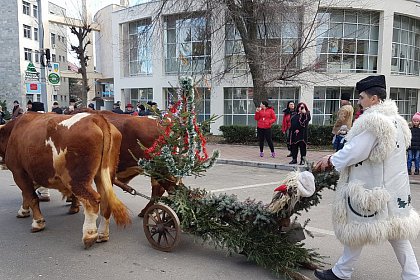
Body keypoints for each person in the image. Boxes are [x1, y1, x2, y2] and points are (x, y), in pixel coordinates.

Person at [314, 75, 420, 280]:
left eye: (362, 97)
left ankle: (342, 272)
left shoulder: (374, 122)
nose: (359, 101)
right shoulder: (397, 121)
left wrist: (331, 159)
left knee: (358, 227)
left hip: (372, 188)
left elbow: (356, 151)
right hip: (393, 190)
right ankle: (412, 275)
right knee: (397, 234)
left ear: (374, 99)